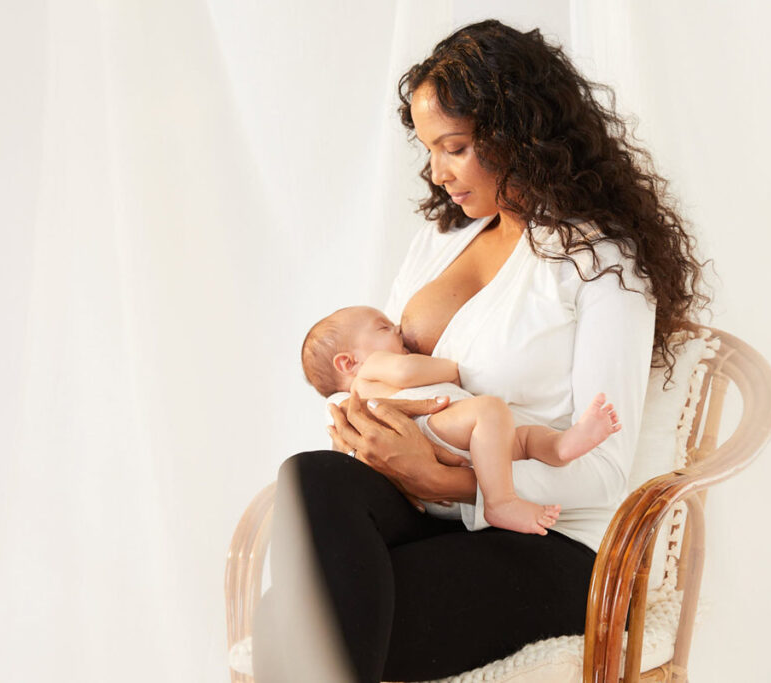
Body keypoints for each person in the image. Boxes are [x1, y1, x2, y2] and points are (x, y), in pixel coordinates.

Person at [253, 19, 708, 683]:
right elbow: (392, 383)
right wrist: (370, 435)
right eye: (431, 149)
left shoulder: (601, 263)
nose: (437, 173)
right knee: (309, 476)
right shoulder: (439, 243)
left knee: (305, 621)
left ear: (518, 132)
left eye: (456, 147)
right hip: (429, 516)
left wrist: (442, 479)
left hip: (549, 539)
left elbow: (605, 469)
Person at [301, 304, 623, 535]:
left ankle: (562, 446)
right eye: (384, 327)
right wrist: (455, 369)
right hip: (427, 430)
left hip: (454, 450)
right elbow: (406, 370)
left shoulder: (363, 386)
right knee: (491, 410)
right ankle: (500, 502)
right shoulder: (368, 372)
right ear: (347, 363)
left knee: (522, 437)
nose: (398, 329)